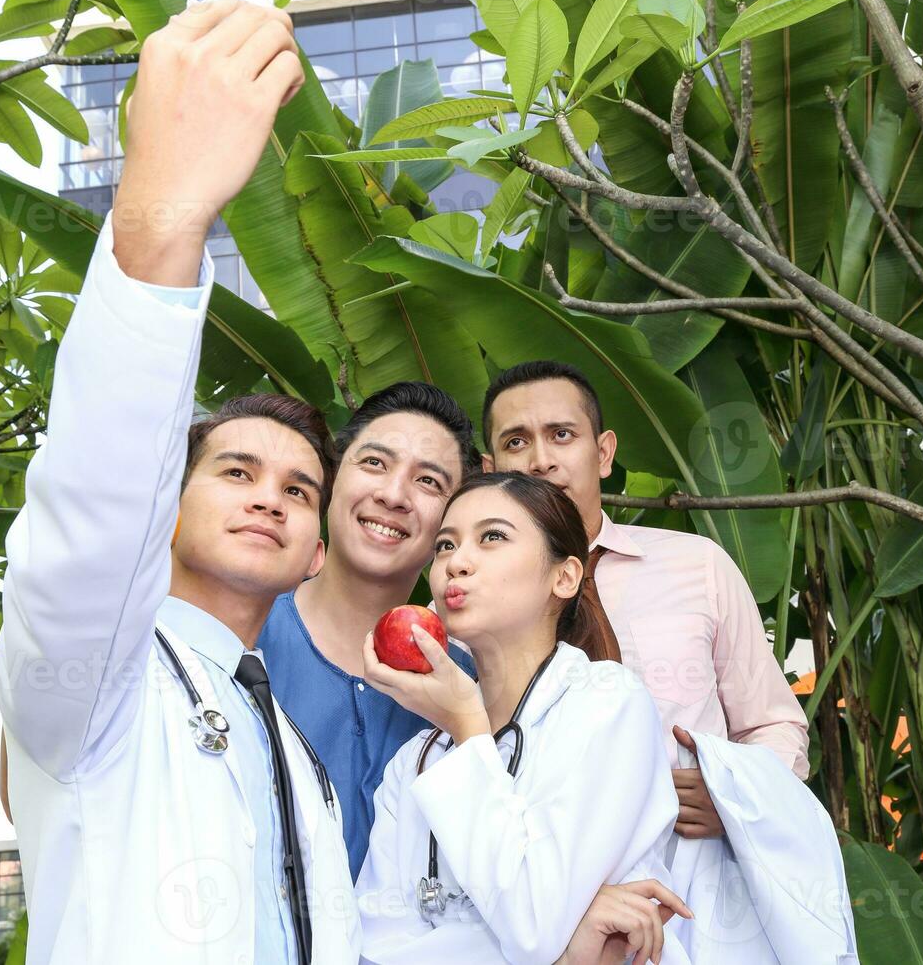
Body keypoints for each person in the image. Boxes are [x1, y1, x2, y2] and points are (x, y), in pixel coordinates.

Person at [0, 0, 360, 963]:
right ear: (168, 505)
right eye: (236, 470)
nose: (269, 498)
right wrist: (163, 219)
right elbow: (93, 508)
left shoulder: (291, 745)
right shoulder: (89, 684)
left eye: (298, 490)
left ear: (317, 549)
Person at [355, 472, 692, 965]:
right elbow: (375, 948)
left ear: (565, 577)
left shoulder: (607, 702)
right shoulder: (417, 759)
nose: (457, 563)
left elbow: (532, 924)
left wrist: (469, 729)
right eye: (445, 546)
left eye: (492, 537)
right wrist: (564, 950)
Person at [481, 360, 810, 844]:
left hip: (698, 887)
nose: (541, 460)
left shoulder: (698, 566)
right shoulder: (467, 603)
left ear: (604, 453)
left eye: (562, 435)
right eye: (516, 442)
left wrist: (738, 799)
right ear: (490, 472)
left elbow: (773, 723)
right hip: (540, 891)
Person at [258, 381, 479, 880]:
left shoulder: (467, 687)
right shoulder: (242, 637)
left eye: (429, 482)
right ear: (333, 479)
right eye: (375, 463)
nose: (394, 495)